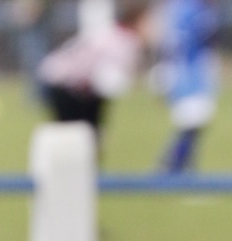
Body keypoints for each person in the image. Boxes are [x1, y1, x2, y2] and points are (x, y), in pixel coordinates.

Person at [36, 3, 151, 150]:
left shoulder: (112, 33)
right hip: (67, 84)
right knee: (78, 137)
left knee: (82, 136)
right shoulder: (125, 42)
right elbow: (110, 80)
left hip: (66, 80)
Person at [148, 0, 219, 173]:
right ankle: (173, 166)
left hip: (177, 71)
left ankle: (180, 165)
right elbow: (207, 37)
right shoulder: (195, 11)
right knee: (193, 123)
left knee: (192, 124)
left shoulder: (174, 8)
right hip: (189, 74)